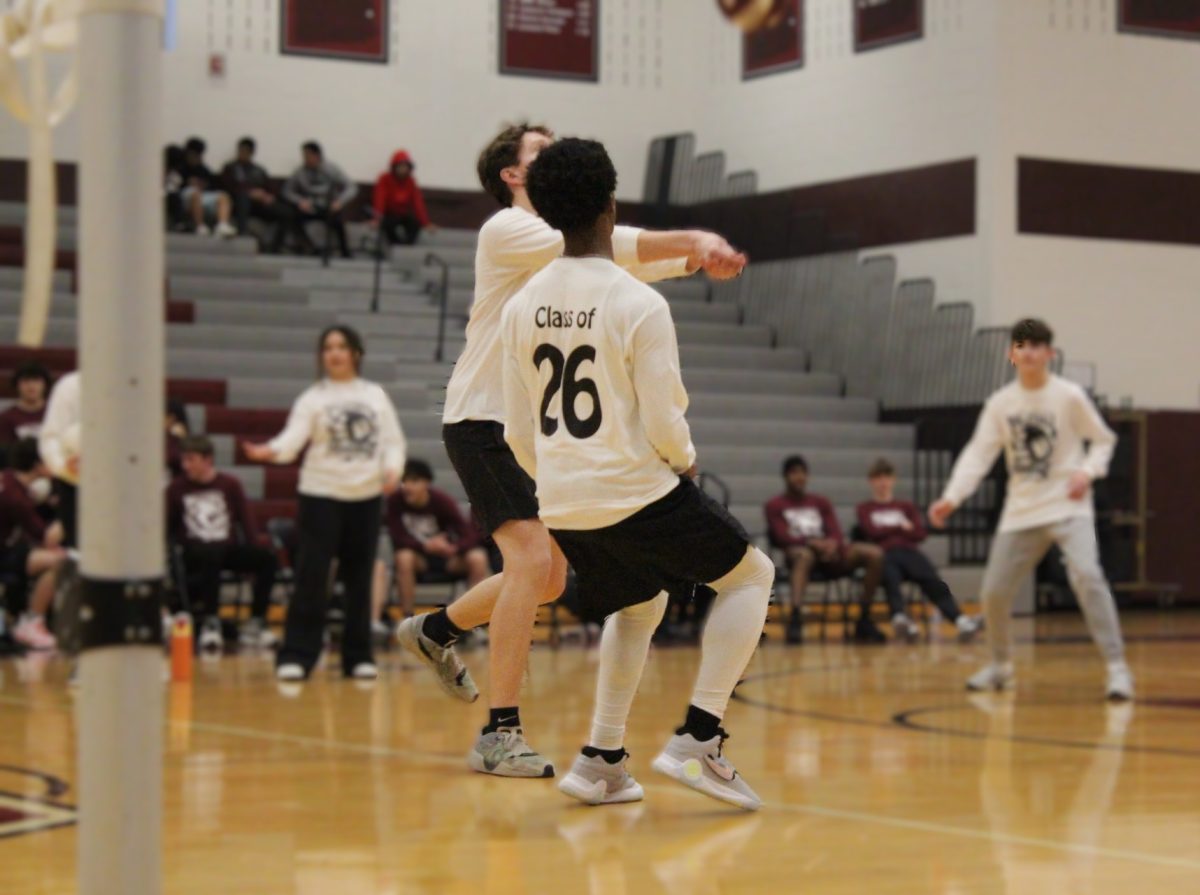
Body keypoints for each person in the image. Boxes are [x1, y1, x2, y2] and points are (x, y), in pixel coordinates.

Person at [394, 122, 746, 778]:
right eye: (540, 150)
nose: (554, 157)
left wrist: (691, 259)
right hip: (485, 418)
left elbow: (609, 260)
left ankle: (437, 627)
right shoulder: (505, 228)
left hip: (531, 427)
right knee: (531, 562)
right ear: (512, 174)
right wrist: (692, 242)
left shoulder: (565, 254)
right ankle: (500, 732)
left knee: (551, 577)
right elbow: (614, 244)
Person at [503, 137, 772, 809]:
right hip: (635, 489)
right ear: (610, 205)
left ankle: (602, 758)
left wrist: (560, 483)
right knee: (751, 575)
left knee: (640, 598)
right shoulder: (638, 302)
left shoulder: (521, 303)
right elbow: (664, 419)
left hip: (563, 500)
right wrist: (682, 461)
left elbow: (516, 430)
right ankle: (700, 740)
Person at [929, 318, 1133, 700]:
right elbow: (978, 454)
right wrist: (952, 497)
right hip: (1022, 512)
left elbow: (1103, 440)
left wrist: (1087, 472)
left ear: (1049, 354)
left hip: (1069, 507)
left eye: (1038, 346)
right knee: (994, 592)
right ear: (1012, 354)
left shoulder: (1069, 396)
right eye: (1022, 346)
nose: (1030, 353)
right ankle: (1000, 664)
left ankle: (1117, 668)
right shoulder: (1001, 404)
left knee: (1088, 576)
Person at [244, 326, 405, 682]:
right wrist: (271, 450)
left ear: (355, 353)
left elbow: (393, 442)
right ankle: (298, 655)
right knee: (312, 577)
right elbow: (292, 439)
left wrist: (393, 470)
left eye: (342, 347)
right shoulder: (313, 398)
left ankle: (358, 655)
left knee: (360, 578)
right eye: (328, 347)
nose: (334, 353)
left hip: (365, 497)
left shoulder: (376, 396)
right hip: (320, 495)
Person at [166, 435, 280, 651]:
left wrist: (253, 546)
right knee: (210, 554)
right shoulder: (176, 488)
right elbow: (167, 528)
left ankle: (257, 621)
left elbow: (245, 520)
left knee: (267, 560)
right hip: (193, 551)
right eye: (184, 460)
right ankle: (211, 620)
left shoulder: (229, 484)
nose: (185, 465)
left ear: (207, 460)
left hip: (225, 548)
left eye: (191, 459)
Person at [856, 458, 983, 641]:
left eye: (886, 478)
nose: (883, 483)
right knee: (890, 576)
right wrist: (901, 527)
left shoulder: (905, 506)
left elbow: (920, 533)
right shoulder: (865, 508)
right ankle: (899, 618)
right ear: (871, 481)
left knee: (932, 580)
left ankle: (960, 620)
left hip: (909, 553)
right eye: (878, 478)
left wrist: (893, 530)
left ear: (893, 480)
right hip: (884, 554)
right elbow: (871, 532)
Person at [765, 455, 887, 645]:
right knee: (804, 555)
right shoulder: (775, 505)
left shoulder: (820, 502)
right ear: (786, 476)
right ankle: (796, 618)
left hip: (831, 554)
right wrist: (812, 543)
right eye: (794, 473)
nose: (799, 477)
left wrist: (832, 544)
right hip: (801, 556)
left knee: (874, 554)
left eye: (803, 473)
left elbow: (836, 531)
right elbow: (782, 537)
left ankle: (864, 617)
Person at [385, 458, 489, 618]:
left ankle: (468, 618)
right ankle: (407, 617)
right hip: (419, 559)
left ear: (427, 483)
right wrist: (426, 546)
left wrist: (454, 548)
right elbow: (397, 537)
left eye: (414, 481)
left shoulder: (442, 501)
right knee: (403, 557)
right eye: (404, 481)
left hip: (446, 558)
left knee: (478, 558)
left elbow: (468, 534)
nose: (408, 487)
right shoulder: (395, 501)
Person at [2, 439, 66, 651]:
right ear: (38, 465)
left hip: (9, 547)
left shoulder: (10, 480)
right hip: (4, 555)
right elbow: (47, 537)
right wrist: (71, 511)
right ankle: (33, 621)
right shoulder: (15, 497)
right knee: (61, 562)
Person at [282, 141, 358, 259]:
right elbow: (286, 191)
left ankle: (345, 253)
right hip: (310, 207)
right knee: (292, 216)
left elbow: (352, 188)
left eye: (307, 155)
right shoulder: (300, 172)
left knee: (338, 221)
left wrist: (340, 202)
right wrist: (299, 201)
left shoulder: (331, 169)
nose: (305, 159)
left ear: (317, 156)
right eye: (304, 156)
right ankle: (310, 248)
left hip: (329, 206)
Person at [220, 137, 296, 253]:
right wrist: (249, 192)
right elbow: (228, 187)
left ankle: (276, 246)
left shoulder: (259, 170)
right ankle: (242, 234)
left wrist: (267, 196)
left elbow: (269, 187)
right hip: (238, 202)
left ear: (252, 153)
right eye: (241, 150)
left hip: (260, 203)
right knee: (243, 198)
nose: (243, 154)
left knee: (286, 212)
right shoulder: (230, 168)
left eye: (246, 151)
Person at [38, 371, 79, 548]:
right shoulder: (71, 386)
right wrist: (64, 467)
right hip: (75, 483)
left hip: (123, 486)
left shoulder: (137, 385)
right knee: (78, 550)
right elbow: (50, 437)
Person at [370, 150, 437, 247]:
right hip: (388, 215)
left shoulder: (411, 181)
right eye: (400, 166)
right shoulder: (384, 179)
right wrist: (376, 219)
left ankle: (406, 247)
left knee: (414, 224)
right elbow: (379, 199)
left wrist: (426, 223)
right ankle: (396, 247)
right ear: (394, 167)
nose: (403, 169)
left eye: (405, 166)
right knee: (389, 225)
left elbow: (417, 203)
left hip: (403, 214)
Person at [179, 137, 236, 238]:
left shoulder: (204, 169)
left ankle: (222, 226)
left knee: (223, 196)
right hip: (185, 196)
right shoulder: (180, 167)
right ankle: (200, 226)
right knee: (195, 193)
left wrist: (203, 185)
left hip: (203, 196)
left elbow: (213, 185)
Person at [0, 362, 52, 458]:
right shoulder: (6, 418)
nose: (31, 386)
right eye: (26, 381)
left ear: (45, 384)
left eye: (36, 380)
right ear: (17, 385)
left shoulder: (55, 413)